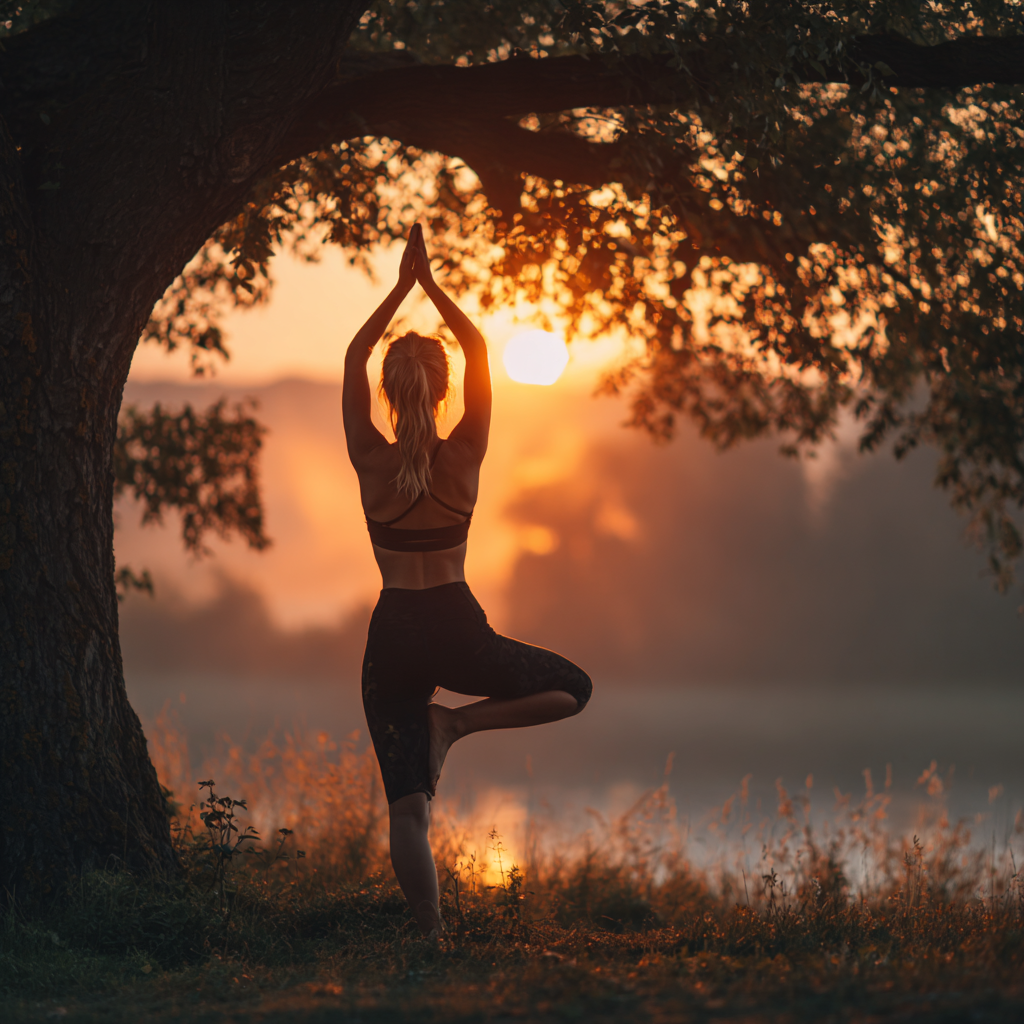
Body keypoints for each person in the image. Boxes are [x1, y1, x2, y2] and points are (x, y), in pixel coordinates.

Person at [342, 225, 592, 939]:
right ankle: (454, 724)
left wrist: (398, 288)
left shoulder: (369, 460)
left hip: (392, 633)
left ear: (388, 390)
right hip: (456, 626)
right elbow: (481, 348)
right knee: (574, 688)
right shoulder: (467, 456)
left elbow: (356, 353)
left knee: (407, 811)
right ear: (446, 389)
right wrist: (432, 287)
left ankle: (429, 937)